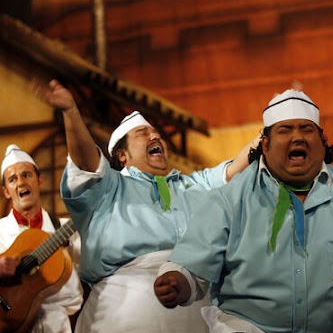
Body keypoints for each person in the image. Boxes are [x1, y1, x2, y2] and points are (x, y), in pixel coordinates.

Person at [153, 89, 333, 333]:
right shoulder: (228, 201)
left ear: (321, 142)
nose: (297, 136)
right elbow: (191, 270)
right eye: (285, 130)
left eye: (307, 129)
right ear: (265, 145)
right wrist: (178, 282)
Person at [33, 79, 257, 333]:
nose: (156, 136)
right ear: (121, 155)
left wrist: (268, 133)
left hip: (198, 305)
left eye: (157, 134)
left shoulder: (191, 184)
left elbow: (236, 169)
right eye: (144, 133)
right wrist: (71, 112)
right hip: (123, 312)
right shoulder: (107, 188)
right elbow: (85, 162)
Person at [0, 144, 83, 333]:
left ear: (39, 180)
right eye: (12, 179)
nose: (21, 183)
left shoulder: (65, 229)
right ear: (6, 191)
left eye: (26, 175)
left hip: (60, 325)